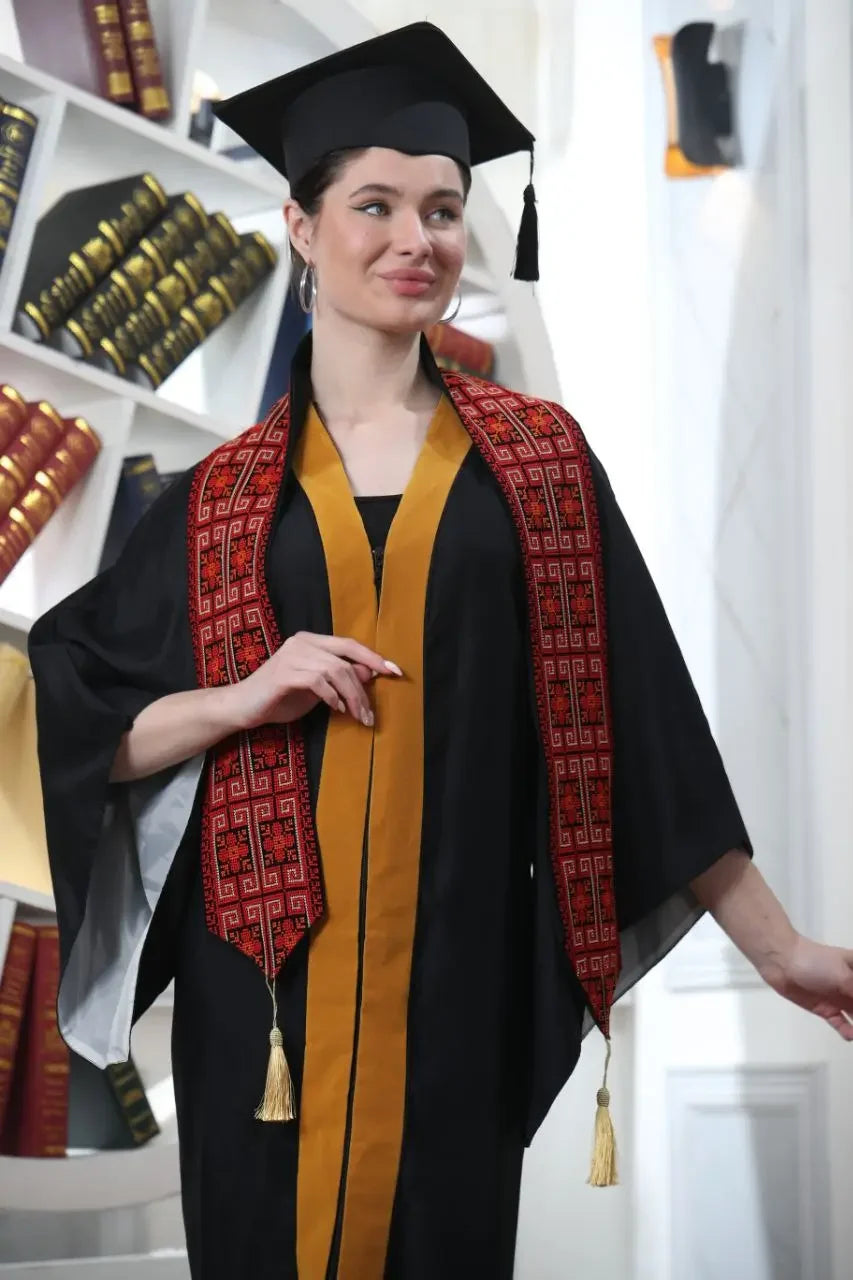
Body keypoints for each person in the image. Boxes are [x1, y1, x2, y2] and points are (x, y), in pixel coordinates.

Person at [28, 21, 853, 1280]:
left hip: (456, 977)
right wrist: (243, 696)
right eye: (375, 204)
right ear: (302, 226)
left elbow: (645, 722)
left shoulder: (537, 464)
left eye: (443, 207)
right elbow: (88, 723)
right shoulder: (217, 498)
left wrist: (779, 946)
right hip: (259, 1005)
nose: (417, 238)